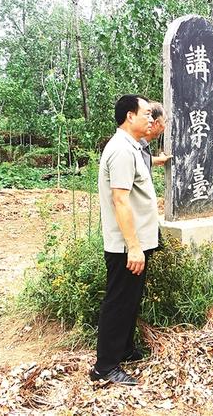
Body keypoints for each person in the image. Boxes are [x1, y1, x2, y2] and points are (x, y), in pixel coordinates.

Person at [90, 94, 159, 385]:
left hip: (136, 241)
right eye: (146, 114)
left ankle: (125, 350)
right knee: (119, 301)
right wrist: (133, 246)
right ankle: (105, 367)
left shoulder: (131, 147)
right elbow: (120, 200)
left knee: (130, 300)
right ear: (130, 116)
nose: (151, 119)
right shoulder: (121, 150)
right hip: (126, 245)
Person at [139, 101, 173, 173]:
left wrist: (156, 160)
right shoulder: (135, 147)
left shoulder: (141, 144)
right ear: (157, 123)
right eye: (165, 122)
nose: (165, 126)